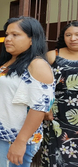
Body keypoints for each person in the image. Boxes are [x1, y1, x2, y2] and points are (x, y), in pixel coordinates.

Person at [0, 16, 55, 167]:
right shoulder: (6, 62)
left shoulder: (37, 65)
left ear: (32, 39)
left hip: (14, 137)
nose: (8, 39)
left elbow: (40, 108)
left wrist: (20, 142)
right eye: (7, 35)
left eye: (15, 35)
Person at [41, 21, 78, 167]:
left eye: (76, 35)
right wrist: (46, 107)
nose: (73, 38)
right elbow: (41, 84)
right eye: (68, 35)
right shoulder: (52, 55)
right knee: (56, 151)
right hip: (56, 111)